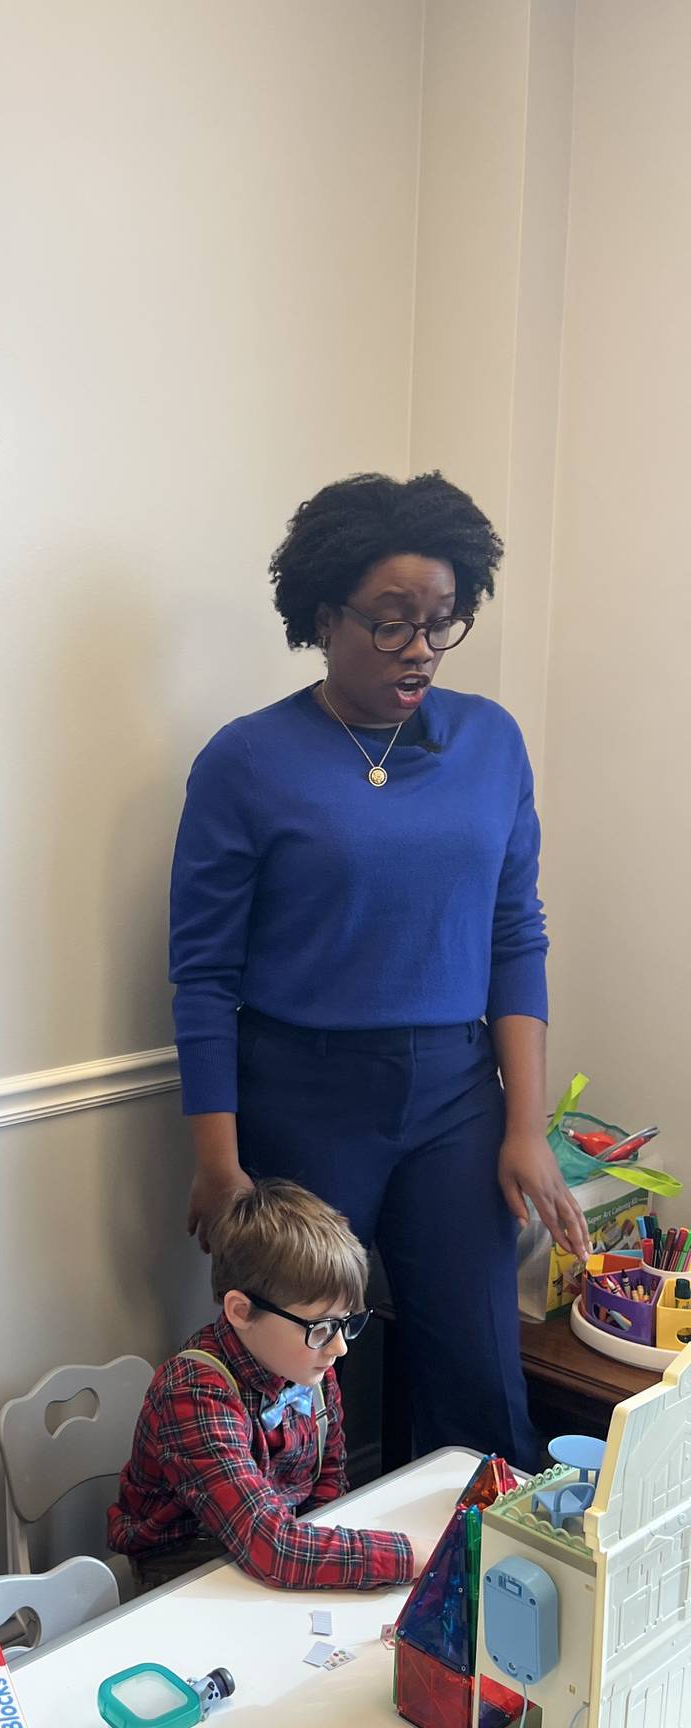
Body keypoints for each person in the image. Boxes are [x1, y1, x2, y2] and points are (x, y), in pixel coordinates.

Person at [170, 472, 588, 1471]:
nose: (419, 649)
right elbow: (203, 975)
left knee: (477, 1374)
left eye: (442, 621)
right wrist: (219, 1162)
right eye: (390, 621)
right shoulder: (247, 760)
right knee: (289, 1385)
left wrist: (524, 1127)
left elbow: (514, 935)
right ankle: (293, 1589)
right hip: (302, 1101)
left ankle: (462, 1602)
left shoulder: (489, 742)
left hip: (455, 1097)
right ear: (324, 614)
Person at [109, 1179, 430, 1591]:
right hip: (186, 1571)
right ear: (242, 1311)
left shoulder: (311, 1362)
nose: (340, 1346)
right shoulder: (193, 1392)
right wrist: (409, 1555)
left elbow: (328, 1477)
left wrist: (326, 1546)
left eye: (347, 1323)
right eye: (321, 1326)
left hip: (278, 1545)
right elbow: (271, 1548)